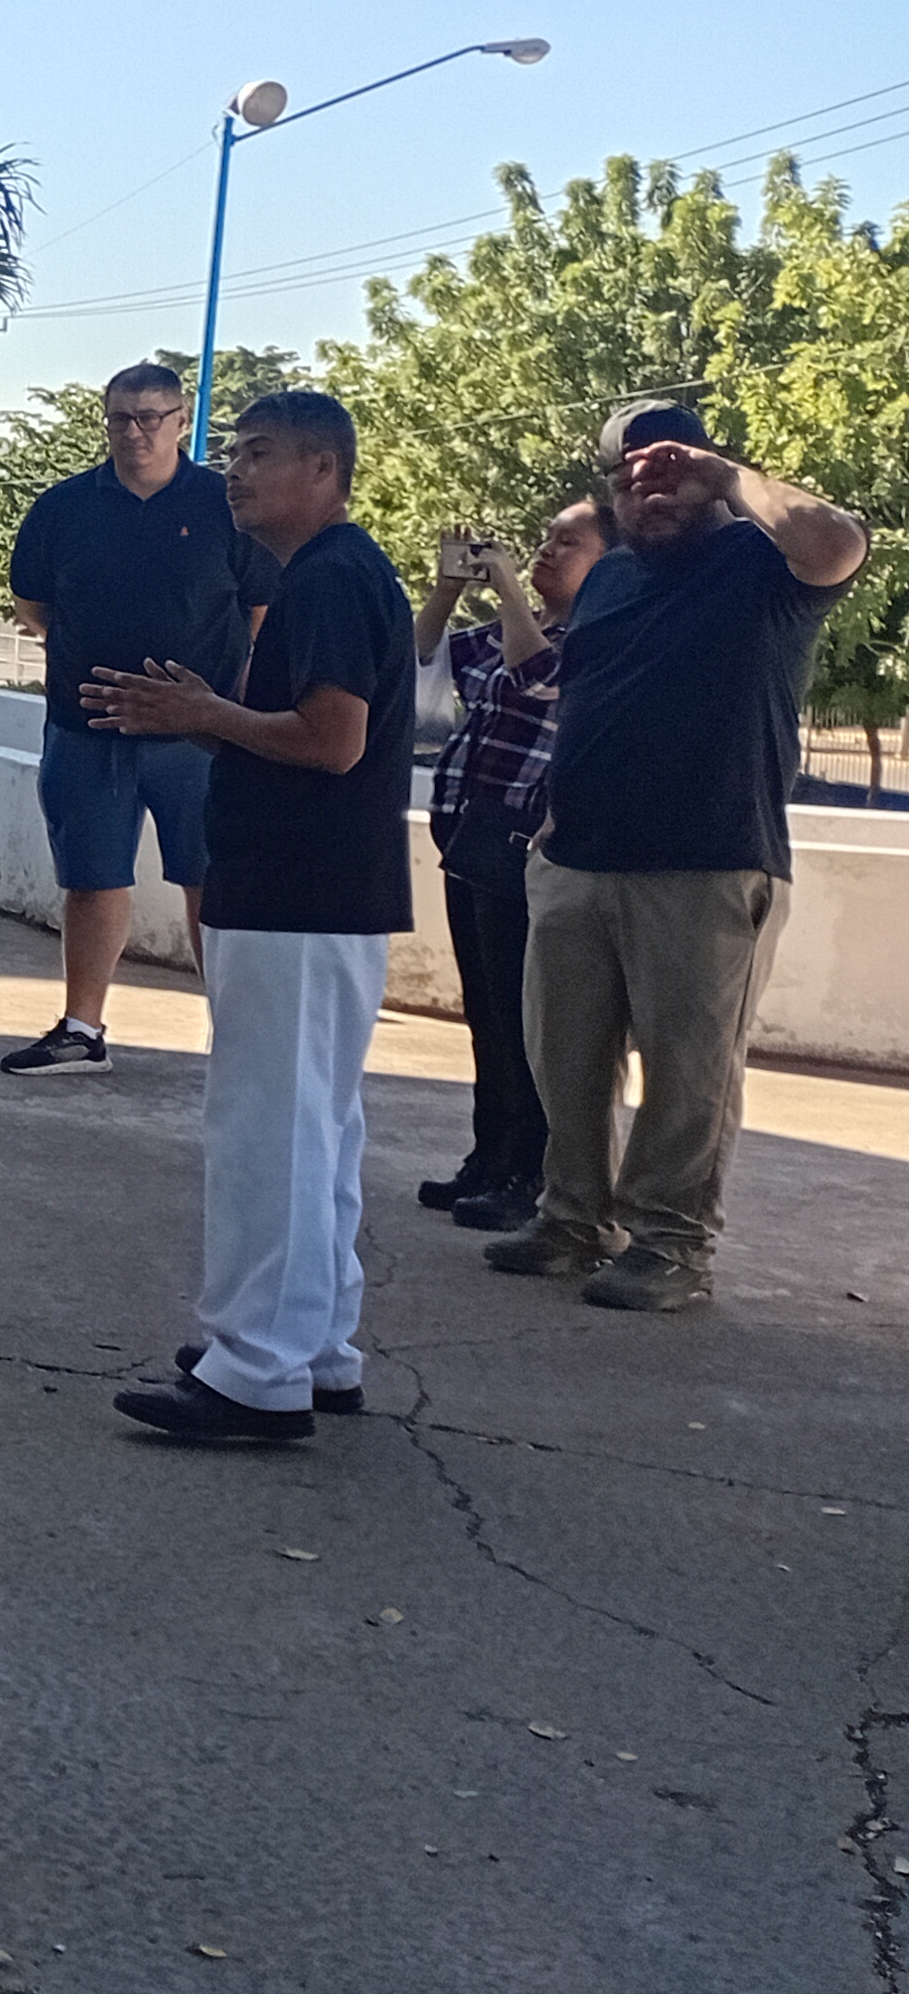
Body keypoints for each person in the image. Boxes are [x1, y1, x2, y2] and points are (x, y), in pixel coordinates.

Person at [485, 402, 870, 1312]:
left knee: (689, 1073)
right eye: (628, 473)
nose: (646, 484)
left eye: (668, 466)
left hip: (707, 860)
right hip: (577, 858)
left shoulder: (763, 562)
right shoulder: (611, 577)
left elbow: (840, 543)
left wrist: (728, 477)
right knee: (564, 1062)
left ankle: (671, 1245)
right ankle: (572, 1220)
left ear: (708, 467)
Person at [82, 392, 414, 1445]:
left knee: (270, 1131)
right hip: (317, 896)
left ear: (324, 470)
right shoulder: (336, 573)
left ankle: (255, 1369)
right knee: (316, 1129)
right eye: (233, 453)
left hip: (297, 895)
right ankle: (315, 1350)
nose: (234, 472)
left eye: (260, 453)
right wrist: (206, 718)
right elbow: (305, 732)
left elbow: (332, 741)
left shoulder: (329, 577)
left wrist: (205, 714)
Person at [0, 363, 279, 1077]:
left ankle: (237, 1040)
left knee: (211, 880)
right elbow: (33, 604)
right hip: (87, 726)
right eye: (122, 417)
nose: (136, 431)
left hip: (201, 736)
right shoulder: (64, 508)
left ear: (181, 420)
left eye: (152, 417)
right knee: (92, 880)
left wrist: (221, 700)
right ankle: (82, 1029)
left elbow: (259, 609)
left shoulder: (224, 504)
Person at [410, 499, 609, 1231]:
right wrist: (447, 590)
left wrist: (511, 593)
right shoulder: (505, 630)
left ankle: (528, 1172)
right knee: (486, 1012)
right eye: (547, 538)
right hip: (471, 835)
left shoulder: (595, 636)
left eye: (570, 543)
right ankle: (488, 1158)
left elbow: (539, 678)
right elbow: (421, 663)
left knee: (525, 1017)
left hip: (522, 841)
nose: (548, 550)